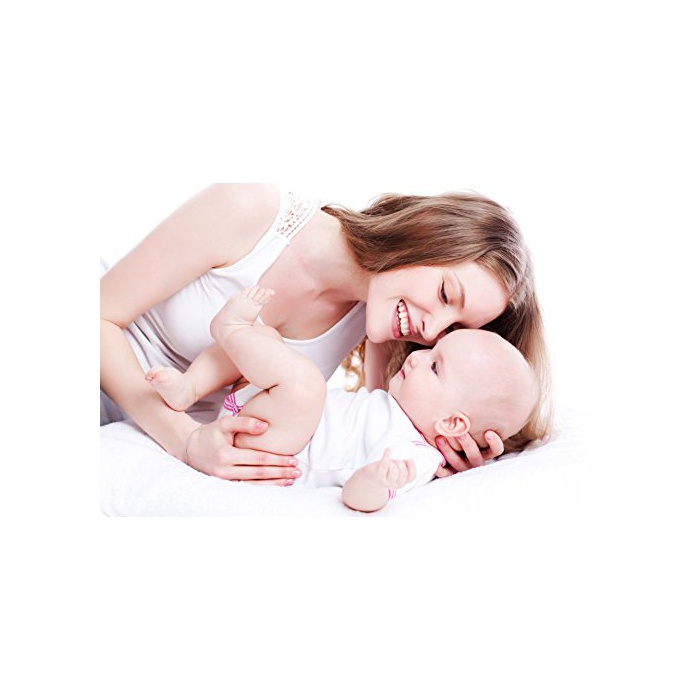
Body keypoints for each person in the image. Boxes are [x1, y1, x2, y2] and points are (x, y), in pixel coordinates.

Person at [101, 184, 551, 484]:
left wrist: (440, 455)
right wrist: (183, 440)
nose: (431, 329)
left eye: (453, 329)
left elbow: (377, 428)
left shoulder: (383, 323)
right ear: (426, 236)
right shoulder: (249, 209)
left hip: (168, 428)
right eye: (445, 293)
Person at [149, 286, 539, 512]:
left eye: (435, 367)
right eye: (430, 351)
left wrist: (375, 481)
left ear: (452, 423)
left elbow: (360, 496)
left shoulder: (414, 455)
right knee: (269, 342)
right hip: (260, 418)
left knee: (305, 384)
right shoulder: (393, 403)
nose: (416, 357)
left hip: (275, 454)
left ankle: (230, 328)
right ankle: (190, 387)